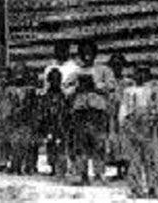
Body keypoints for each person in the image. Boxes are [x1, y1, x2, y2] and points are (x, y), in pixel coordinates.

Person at [69, 39, 116, 184]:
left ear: (94, 54)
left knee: (98, 142)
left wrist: (96, 86)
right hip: (80, 111)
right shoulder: (76, 72)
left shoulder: (103, 70)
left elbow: (112, 85)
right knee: (80, 143)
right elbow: (65, 88)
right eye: (83, 52)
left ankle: (99, 173)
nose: (86, 55)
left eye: (89, 52)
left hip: (97, 110)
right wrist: (75, 89)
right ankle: (82, 173)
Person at [120, 66, 158, 199]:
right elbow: (124, 107)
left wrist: (157, 117)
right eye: (137, 74)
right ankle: (135, 187)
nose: (140, 77)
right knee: (134, 158)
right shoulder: (128, 91)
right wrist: (124, 121)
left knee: (151, 157)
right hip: (132, 123)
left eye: (144, 74)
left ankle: (152, 187)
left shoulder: (153, 90)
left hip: (148, 124)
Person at [107, 53, 135, 180]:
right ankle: (118, 170)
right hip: (112, 115)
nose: (116, 67)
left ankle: (128, 169)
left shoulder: (128, 82)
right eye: (114, 65)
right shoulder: (108, 83)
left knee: (126, 140)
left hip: (125, 115)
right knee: (114, 141)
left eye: (119, 65)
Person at [38, 68, 70, 177]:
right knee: (50, 144)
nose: (55, 82)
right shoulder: (45, 96)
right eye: (53, 79)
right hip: (50, 122)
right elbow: (43, 110)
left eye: (57, 79)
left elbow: (67, 109)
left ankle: (61, 168)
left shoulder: (64, 95)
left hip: (61, 123)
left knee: (61, 144)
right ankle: (52, 166)